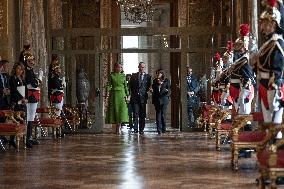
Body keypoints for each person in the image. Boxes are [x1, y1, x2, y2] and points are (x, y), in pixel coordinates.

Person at [257, 2, 284, 131]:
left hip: (272, 86)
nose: (261, 25)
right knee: (268, 124)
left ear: (272, 24)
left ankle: (276, 149)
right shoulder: (268, 44)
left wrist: (275, 87)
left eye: (264, 22)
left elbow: (278, 68)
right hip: (263, 84)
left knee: (274, 125)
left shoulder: (277, 43)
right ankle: (268, 148)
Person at [25, 52, 43, 147]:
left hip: (33, 95)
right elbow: (34, 84)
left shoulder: (30, 71)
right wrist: (39, 78)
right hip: (29, 95)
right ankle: (27, 138)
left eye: (32, 60)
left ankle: (29, 137)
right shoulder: (27, 71)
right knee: (28, 116)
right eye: (29, 61)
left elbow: (35, 83)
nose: (32, 62)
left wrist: (37, 80)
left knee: (31, 117)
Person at [105, 63, 129, 134]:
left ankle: (119, 126)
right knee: (115, 111)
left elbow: (125, 86)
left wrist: (127, 95)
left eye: (121, 67)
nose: (120, 68)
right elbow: (109, 85)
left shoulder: (123, 76)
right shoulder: (111, 75)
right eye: (118, 67)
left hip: (122, 95)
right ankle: (117, 126)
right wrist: (107, 93)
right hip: (114, 95)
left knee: (121, 111)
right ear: (115, 67)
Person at [129, 62, 151, 134]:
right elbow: (130, 87)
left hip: (143, 98)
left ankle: (141, 129)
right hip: (135, 98)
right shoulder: (134, 76)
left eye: (143, 67)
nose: (142, 68)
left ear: (145, 68)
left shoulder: (148, 76)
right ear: (138, 67)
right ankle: (135, 129)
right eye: (141, 67)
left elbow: (149, 86)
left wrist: (147, 92)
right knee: (135, 113)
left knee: (142, 114)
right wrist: (130, 95)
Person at [9, 62, 27, 149]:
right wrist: (21, 98)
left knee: (22, 120)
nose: (20, 71)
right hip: (16, 102)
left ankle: (20, 140)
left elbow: (24, 90)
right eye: (18, 69)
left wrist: (25, 98)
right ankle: (12, 140)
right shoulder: (12, 78)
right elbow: (14, 91)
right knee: (16, 121)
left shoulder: (22, 78)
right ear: (15, 69)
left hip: (22, 102)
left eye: (21, 69)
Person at [151, 69, 170, 134]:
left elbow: (169, 90)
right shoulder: (154, 81)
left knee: (163, 114)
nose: (157, 75)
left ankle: (164, 129)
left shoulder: (166, 80)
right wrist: (152, 91)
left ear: (162, 74)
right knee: (158, 114)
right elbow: (153, 90)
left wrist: (161, 84)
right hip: (157, 100)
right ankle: (159, 130)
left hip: (164, 99)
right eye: (157, 73)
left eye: (159, 73)